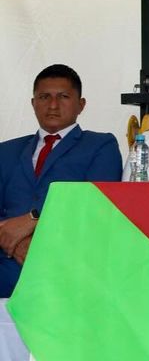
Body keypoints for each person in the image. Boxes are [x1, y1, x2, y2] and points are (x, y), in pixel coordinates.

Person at [0, 64, 122, 296]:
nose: (53, 105)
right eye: (44, 97)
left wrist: (34, 218)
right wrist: (16, 244)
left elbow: (96, 206)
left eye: (63, 96)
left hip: (69, 268)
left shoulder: (100, 145)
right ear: (33, 103)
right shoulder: (6, 151)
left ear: (81, 104)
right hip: (7, 265)